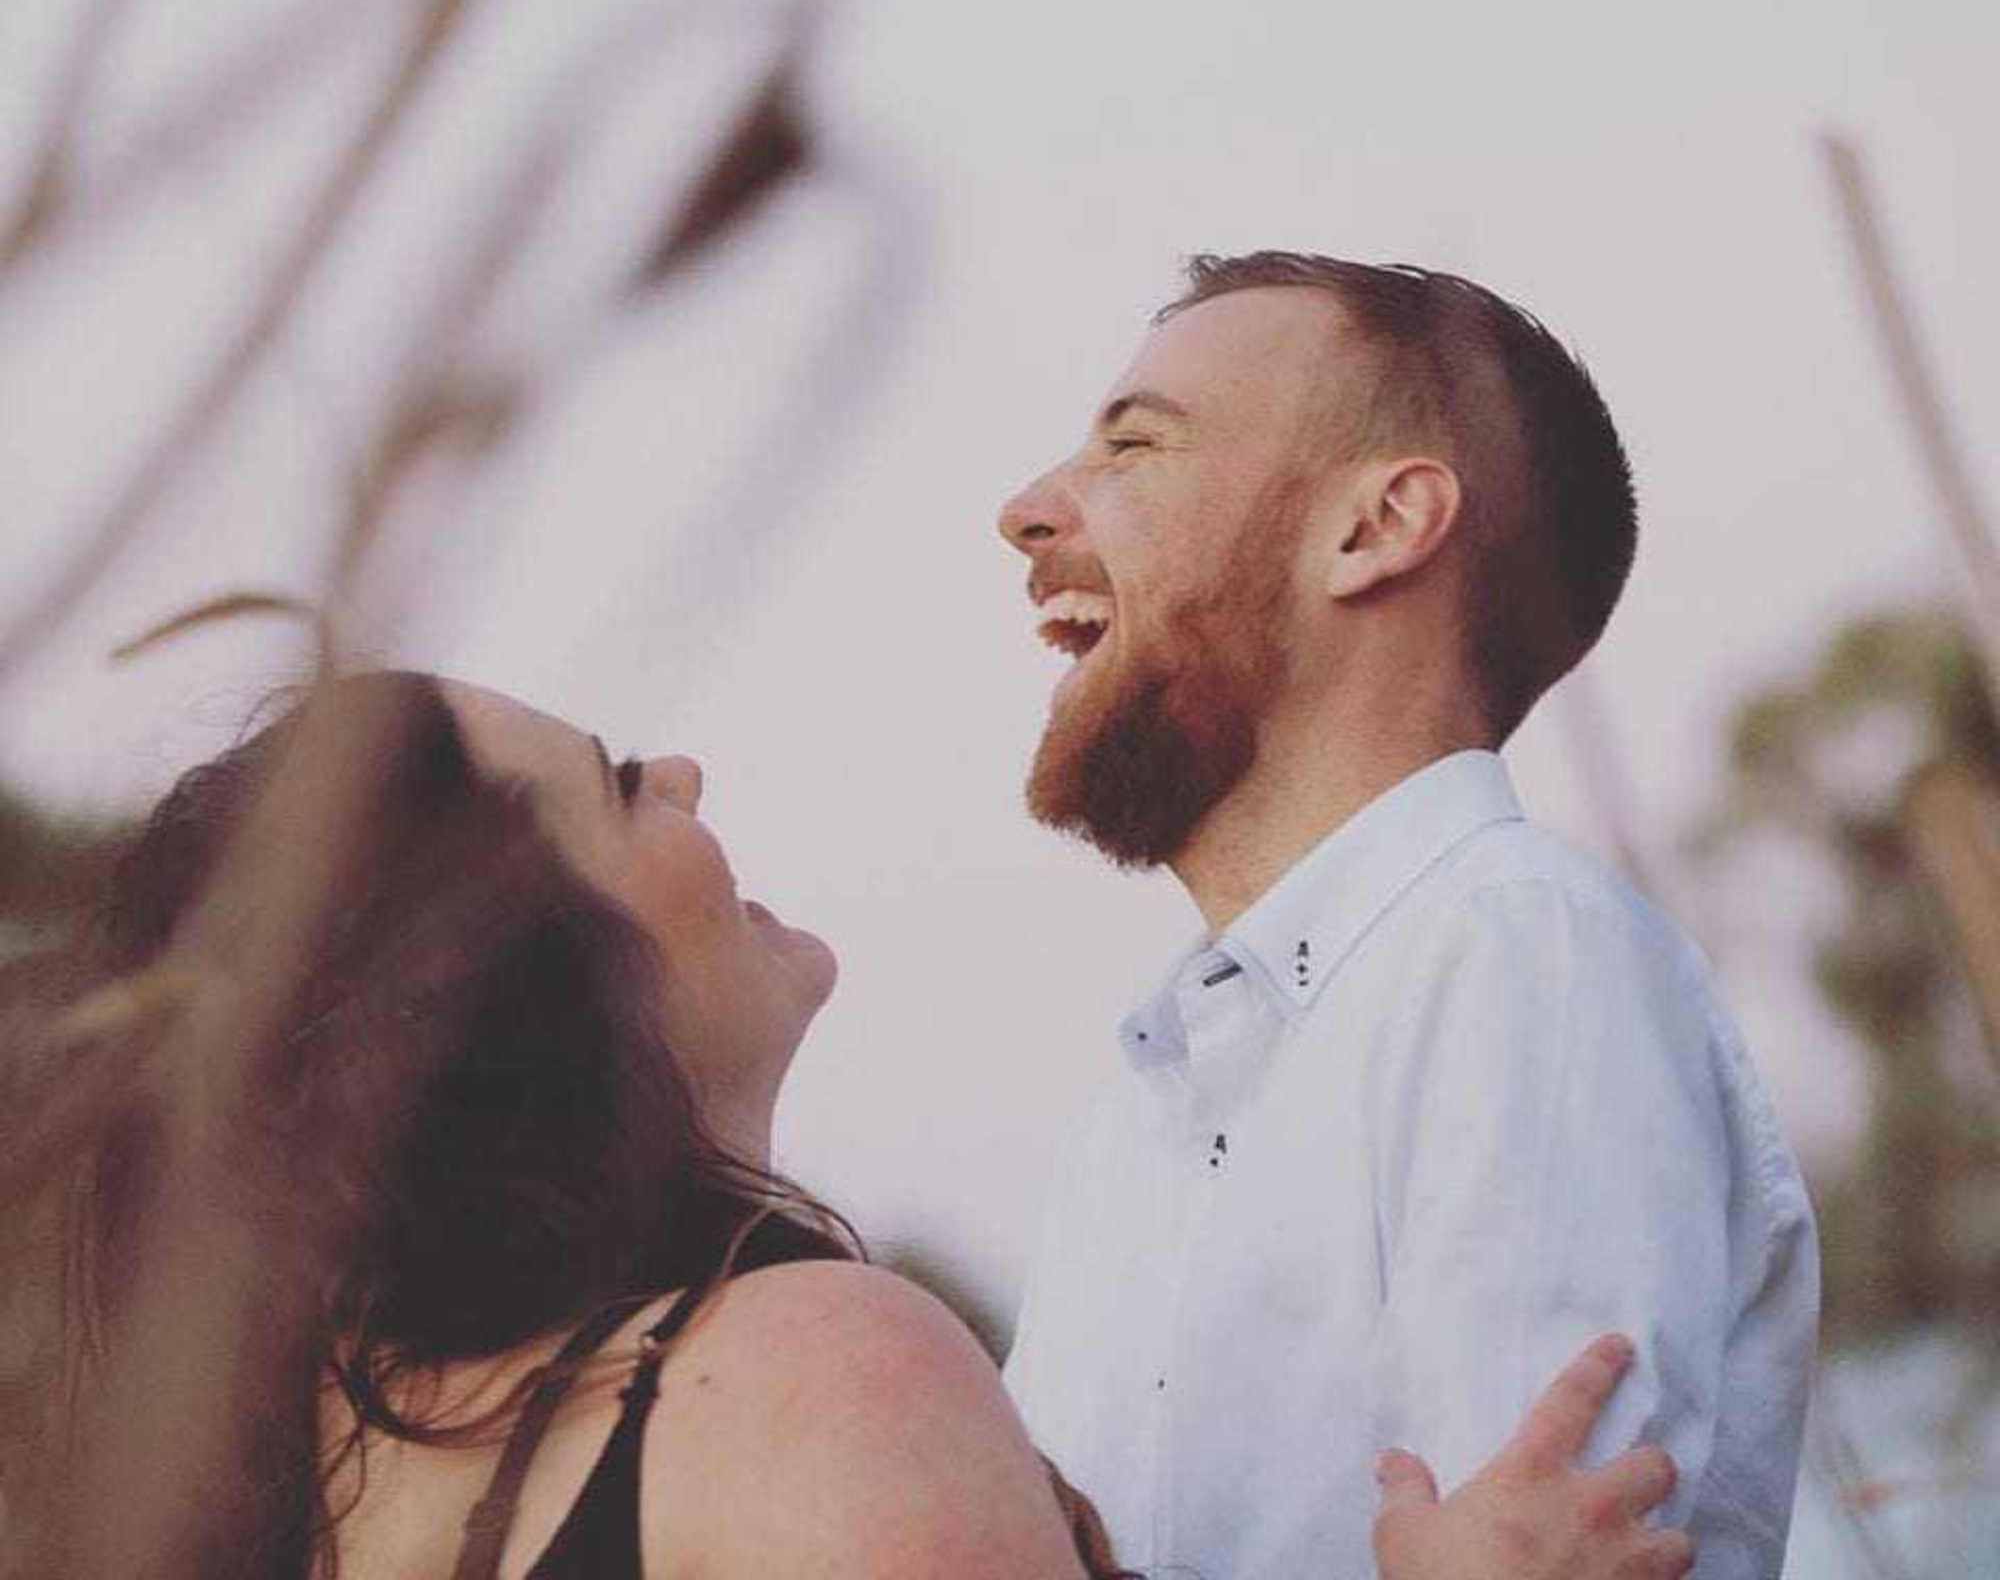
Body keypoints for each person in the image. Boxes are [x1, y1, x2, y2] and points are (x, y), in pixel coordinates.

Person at [3, 668, 1694, 1579]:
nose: (685, 776)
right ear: (520, 985)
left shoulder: (327, 1504)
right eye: (618, 783)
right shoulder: (804, 1377)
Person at [997, 254, 1818, 1580]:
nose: (1028, 510)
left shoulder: (1518, 961)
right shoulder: (1140, 1111)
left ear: (1376, 529)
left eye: (1134, 445)